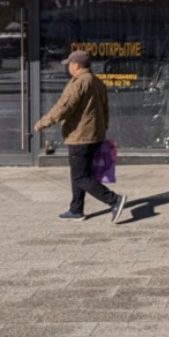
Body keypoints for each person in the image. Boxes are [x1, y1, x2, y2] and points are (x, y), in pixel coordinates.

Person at [33, 50, 128, 223]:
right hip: (94, 135)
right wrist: (102, 129)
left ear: (76, 65)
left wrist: (43, 122)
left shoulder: (79, 83)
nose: (68, 67)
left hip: (80, 136)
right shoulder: (97, 81)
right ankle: (76, 209)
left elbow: (63, 107)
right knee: (80, 173)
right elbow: (105, 109)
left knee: (80, 176)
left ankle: (114, 200)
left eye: (69, 64)